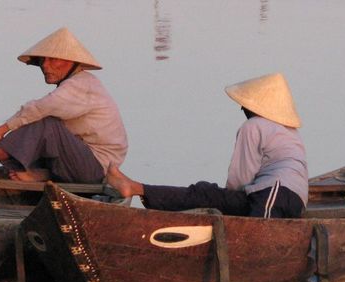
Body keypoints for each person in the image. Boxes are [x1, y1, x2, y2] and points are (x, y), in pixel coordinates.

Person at [0, 27, 127, 184]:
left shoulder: (82, 85)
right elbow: (37, 114)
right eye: (43, 60)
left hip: (97, 169)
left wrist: (2, 129)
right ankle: (32, 173)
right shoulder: (74, 85)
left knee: (46, 124)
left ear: (71, 62)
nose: (45, 65)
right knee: (39, 123)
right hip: (79, 161)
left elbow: (42, 107)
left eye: (53, 59)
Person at [107, 73, 308, 218]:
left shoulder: (254, 125)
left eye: (244, 106)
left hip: (277, 193)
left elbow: (240, 177)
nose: (242, 109)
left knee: (256, 236)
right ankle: (136, 188)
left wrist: (226, 199)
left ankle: (138, 189)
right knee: (204, 193)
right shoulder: (290, 131)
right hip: (290, 198)